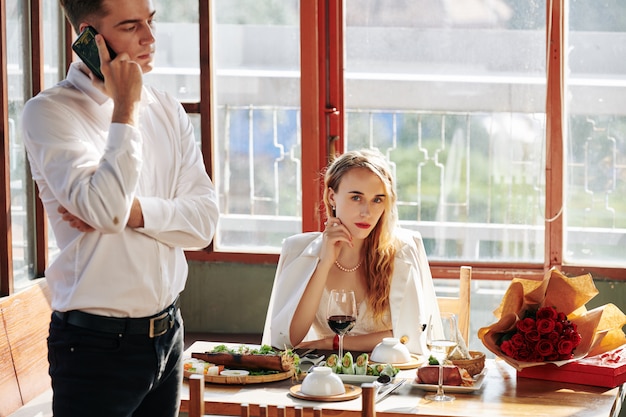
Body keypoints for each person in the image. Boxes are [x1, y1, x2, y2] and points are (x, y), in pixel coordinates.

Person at [21, 1, 219, 416]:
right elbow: (107, 210)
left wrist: (135, 214)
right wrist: (124, 109)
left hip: (169, 335)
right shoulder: (50, 113)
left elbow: (203, 223)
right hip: (95, 348)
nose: (149, 38)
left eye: (151, 22)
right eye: (131, 26)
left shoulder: (165, 108)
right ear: (89, 37)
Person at [262, 149, 441, 355]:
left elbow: (407, 337)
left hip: (386, 377)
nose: (367, 212)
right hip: (322, 380)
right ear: (331, 197)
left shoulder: (401, 252)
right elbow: (286, 341)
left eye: (377, 199)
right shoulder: (299, 251)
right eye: (356, 198)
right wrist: (325, 263)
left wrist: (334, 343)